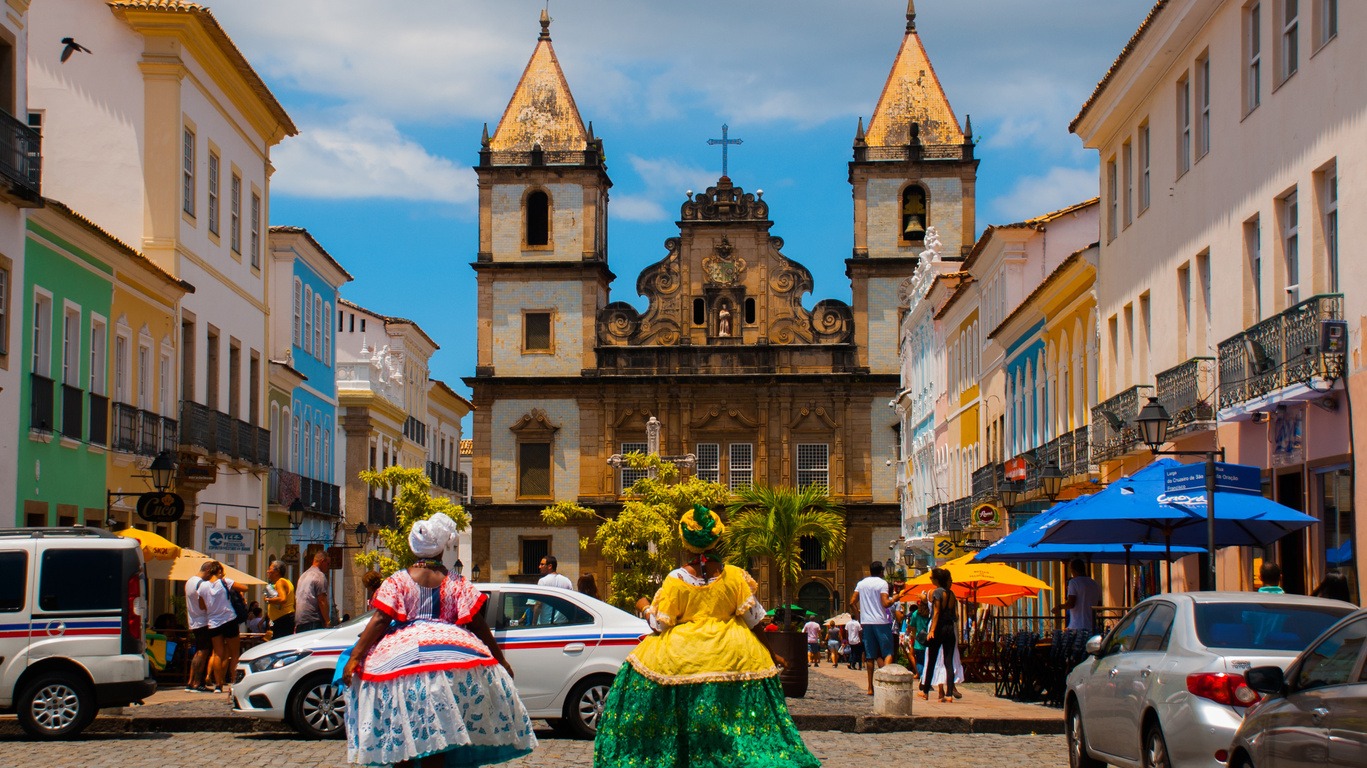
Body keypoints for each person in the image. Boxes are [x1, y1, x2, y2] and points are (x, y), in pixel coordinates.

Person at [593, 505, 819, 768]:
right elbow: (754, 619)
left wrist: (644, 606)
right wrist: (771, 653)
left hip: (683, 655)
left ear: (685, 541)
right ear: (716, 539)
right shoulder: (734, 576)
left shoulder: (675, 580)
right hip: (734, 653)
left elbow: (660, 626)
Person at [342, 512, 535, 767]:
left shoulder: (397, 581)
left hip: (403, 663)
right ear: (441, 550)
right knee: (442, 736)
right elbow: (478, 625)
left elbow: (379, 619)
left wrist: (356, 656)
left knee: (404, 736)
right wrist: (500, 660)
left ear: (413, 548)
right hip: (450, 660)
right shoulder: (456, 583)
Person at [199, 560, 248, 695]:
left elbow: (202, 606)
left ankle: (218, 685)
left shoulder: (203, 587)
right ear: (219, 571)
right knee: (234, 654)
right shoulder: (225, 582)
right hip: (229, 620)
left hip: (213, 623)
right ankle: (234, 683)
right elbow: (245, 588)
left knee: (218, 654)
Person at [849, 561, 897, 695]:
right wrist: (896, 598)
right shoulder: (883, 583)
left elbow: (852, 602)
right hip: (881, 622)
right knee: (888, 653)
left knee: (870, 656)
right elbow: (886, 603)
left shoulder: (861, 583)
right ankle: (887, 682)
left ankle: (870, 688)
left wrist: (859, 617)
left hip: (867, 623)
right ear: (881, 571)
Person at [925, 567, 961, 703]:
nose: (931, 579)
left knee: (932, 659)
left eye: (931, 577)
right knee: (948, 661)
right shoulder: (952, 594)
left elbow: (936, 612)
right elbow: (956, 616)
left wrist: (932, 630)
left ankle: (925, 691)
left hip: (939, 628)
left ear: (936, 579)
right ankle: (949, 694)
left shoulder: (937, 592)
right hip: (950, 628)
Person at [184, 561, 214, 693]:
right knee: (204, 651)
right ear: (207, 570)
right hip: (203, 621)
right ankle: (198, 683)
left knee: (198, 652)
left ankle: (191, 682)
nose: (211, 577)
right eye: (211, 573)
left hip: (194, 621)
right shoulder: (202, 584)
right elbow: (203, 605)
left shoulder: (190, 581)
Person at [1057, 558, 1102, 633]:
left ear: (1073, 570)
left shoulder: (1073, 582)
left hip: (1077, 626)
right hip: (1092, 626)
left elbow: (1071, 604)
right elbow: (1099, 605)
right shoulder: (1094, 583)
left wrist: (1059, 607)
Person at [295, 552, 331, 633]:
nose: (328, 567)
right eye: (328, 564)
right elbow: (322, 601)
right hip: (313, 621)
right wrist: (328, 621)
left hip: (300, 621)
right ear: (322, 561)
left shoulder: (303, 576)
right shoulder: (319, 576)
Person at [263, 560, 295, 637]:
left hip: (282, 620)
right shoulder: (287, 582)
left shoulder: (280, 582)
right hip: (284, 618)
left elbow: (282, 599)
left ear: (277, 571)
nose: (267, 571)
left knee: (279, 645)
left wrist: (267, 600)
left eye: (269, 569)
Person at [907, 596, 931, 680]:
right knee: (929, 662)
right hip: (930, 640)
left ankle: (922, 678)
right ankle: (928, 679)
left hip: (919, 641)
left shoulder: (916, 613)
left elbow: (912, 626)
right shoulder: (931, 613)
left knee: (920, 662)